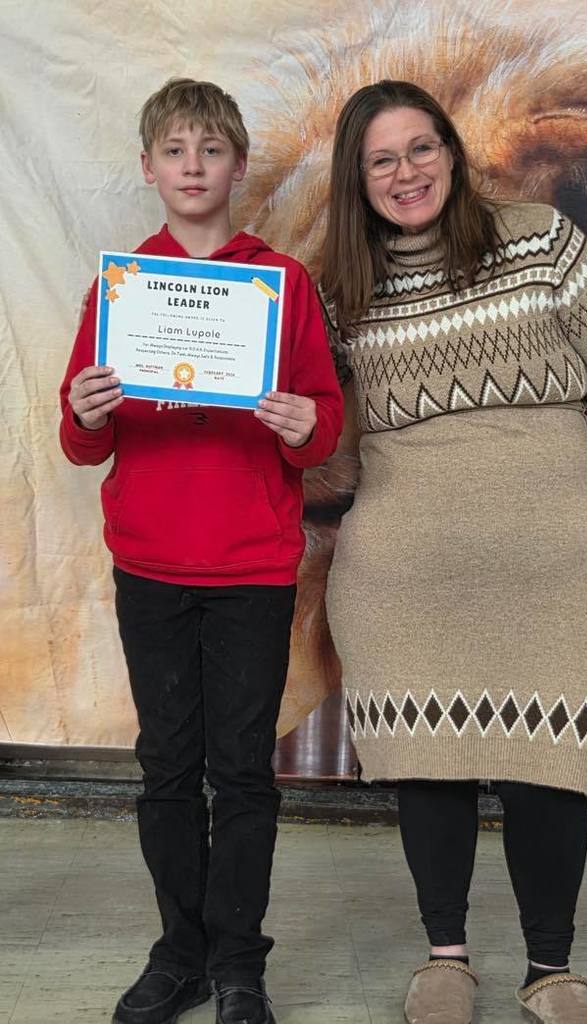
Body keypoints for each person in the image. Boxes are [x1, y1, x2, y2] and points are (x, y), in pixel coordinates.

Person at [320, 79, 587, 1024]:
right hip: (400, 572)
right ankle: (446, 961)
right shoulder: (340, 291)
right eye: (381, 160)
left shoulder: (537, 238)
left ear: (451, 153)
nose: (405, 172)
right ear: (357, 179)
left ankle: (550, 970)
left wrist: (567, 472)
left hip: (556, 562)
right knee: (428, 763)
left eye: (420, 148)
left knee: (551, 762)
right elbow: (330, 439)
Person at [59, 77, 343, 1024]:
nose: (192, 166)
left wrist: (304, 425)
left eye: (210, 150)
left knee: (243, 773)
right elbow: (82, 442)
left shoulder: (282, 285)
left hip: (252, 567)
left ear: (236, 167)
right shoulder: (121, 289)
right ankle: (180, 955)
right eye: (175, 151)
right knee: (168, 771)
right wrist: (83, 413)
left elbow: (322, 425)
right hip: (150, 564)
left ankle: (239, 966)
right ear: (148, 168)